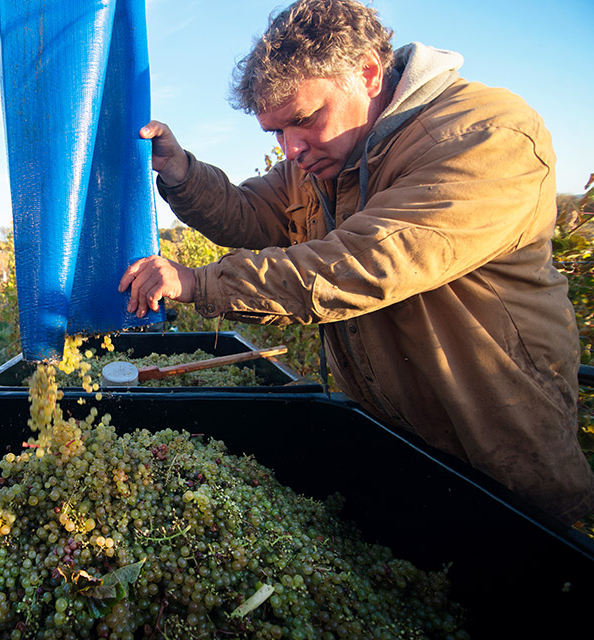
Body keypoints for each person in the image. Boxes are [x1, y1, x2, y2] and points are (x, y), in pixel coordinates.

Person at [118, 0, 594, 524]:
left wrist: (197, 283)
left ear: (367, 73)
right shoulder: (324, 160)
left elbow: (364, 263)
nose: (290, 148)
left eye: (302, 121)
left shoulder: (484, 136)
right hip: (391, 436)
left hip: (494, 453)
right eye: (275, 133)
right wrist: (181, 171)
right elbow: (250, 213)